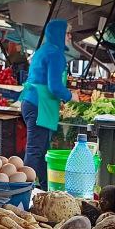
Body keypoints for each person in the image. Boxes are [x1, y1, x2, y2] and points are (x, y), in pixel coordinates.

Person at [19, 19, 72, 186]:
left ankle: (42, 186)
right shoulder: (55, 54)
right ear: (60, 34)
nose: (70, 37)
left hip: (32, 102)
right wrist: (70, 96)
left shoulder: (44, 50)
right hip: (39, 105)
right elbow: (55, 86)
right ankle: (25, 186)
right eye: (68, 34)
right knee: (35, 149)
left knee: (41, 149)